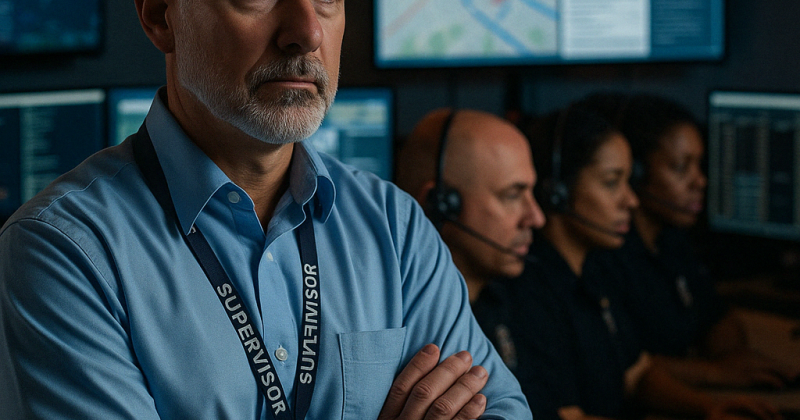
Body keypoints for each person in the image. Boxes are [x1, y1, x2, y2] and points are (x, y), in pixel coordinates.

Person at [0, 0, 531, 419]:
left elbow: (500, 412)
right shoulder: (60, 253)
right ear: (161, 15)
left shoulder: (396, 229)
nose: (306, 32)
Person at [508, 102, 781, 420]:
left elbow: (636, 373)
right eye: (612, 182)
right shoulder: (531, 292)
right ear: (558, 192)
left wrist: (709, 408)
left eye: (628, 181)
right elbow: (567, 416)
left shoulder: (592, 271)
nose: (631, 199)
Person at [610, 93, 800, 388]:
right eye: (681, 167)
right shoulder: (610, 255)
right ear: (636, 174)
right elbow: (619, 361)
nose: (700, 181)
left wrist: (736, 358)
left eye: (699, 165)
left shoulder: (672, 241)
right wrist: (715, 373)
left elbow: (716, 317)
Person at [394, 108, 546, 370]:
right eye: (512, 195)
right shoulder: (409, 334)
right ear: (440, 205)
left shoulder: (507, 303)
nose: (536, 218)